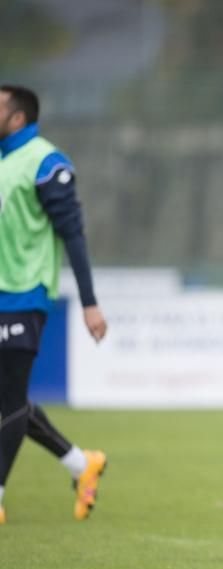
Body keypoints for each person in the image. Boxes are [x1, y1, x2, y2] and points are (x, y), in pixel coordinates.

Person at [0, 84, 108, 525]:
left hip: (25, 294)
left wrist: (89, 302)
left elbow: (73, 233)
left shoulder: (47, 162)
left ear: (18, 117)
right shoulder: (5, 162)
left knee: (9, 400)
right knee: (12, 399)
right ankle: (83, 465)